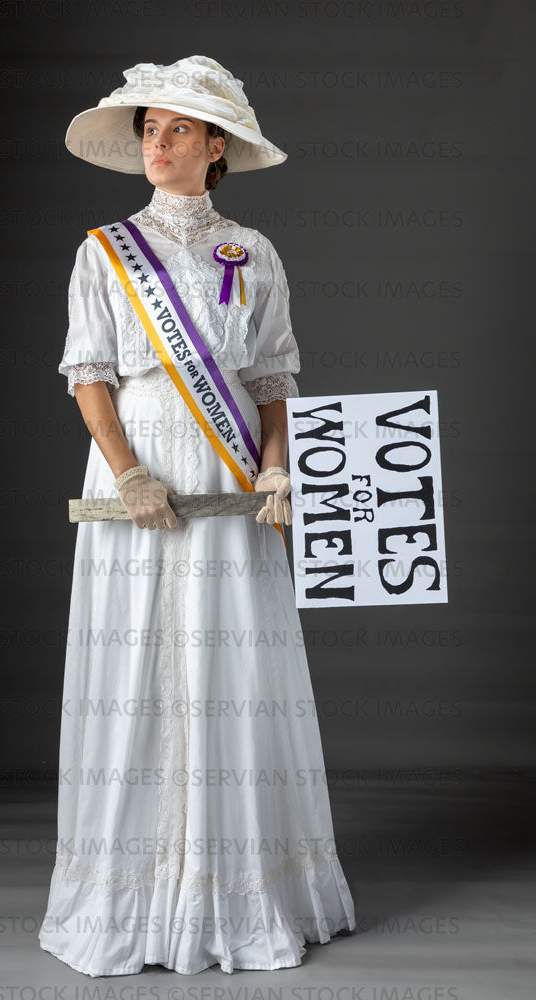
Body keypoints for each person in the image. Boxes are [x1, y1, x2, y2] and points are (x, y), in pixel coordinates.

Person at [38, 54, 356, 977]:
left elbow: (270, 380)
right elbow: (89, 375)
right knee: (136, 656)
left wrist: (274, 469)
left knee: (233, 657)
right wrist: (128, 474)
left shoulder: (252, 252)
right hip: (138, 463)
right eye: (149, 130)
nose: (158, 144)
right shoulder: (102, 251)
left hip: (227, 477)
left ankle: (243, 891)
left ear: (215, 146)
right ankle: (133, 897)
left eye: (177, 130)